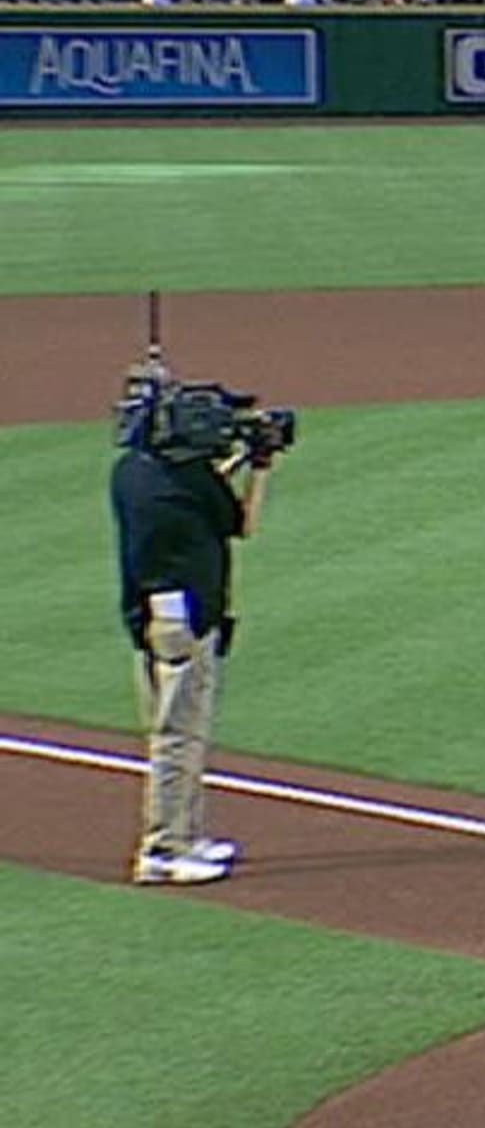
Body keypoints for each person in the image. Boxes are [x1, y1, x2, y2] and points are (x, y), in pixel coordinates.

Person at [109, 368, 278, 886]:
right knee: (179, 734)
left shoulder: (132, 473)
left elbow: (199, 490)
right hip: (185, 619)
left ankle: (186, 834)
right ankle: (164, 849)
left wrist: (234, 458)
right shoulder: (189, 481)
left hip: (150, 615)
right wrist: (262, 464)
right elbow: (242, 521)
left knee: (175, 730)